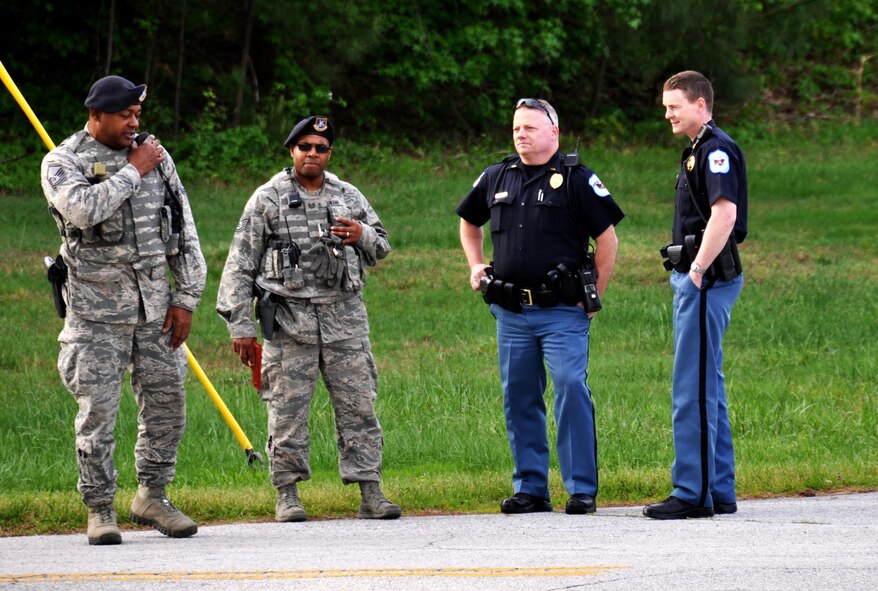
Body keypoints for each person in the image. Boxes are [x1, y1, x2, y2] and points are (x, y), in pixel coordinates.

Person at [40, 75, 207, 545]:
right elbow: (83, 210)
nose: (135, 123)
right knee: (98, 414)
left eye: (138, 115)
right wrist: (133, 169)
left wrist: (185, 298)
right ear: (96, 116)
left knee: (168, 406)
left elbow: (184, 230)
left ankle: (152, 496)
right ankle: (99, 508)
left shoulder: (157, 154)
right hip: (95, 316)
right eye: (125, 116)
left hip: (155, 311)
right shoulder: (62, 162)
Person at [216, 115, 400, 522]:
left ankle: (371, 491)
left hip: (345, 321)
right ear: (292, 151)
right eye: (305, 147)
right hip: (288, 321)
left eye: (320, 148)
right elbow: (240, 263)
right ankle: (287, 494)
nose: (312, 154)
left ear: (329, 154)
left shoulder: (348, 194)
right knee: (286, 411)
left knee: (359, 408)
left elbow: (382, 244)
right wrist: (240, 325)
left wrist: (361, 235)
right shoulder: (267, 198)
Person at [456, 99, 623, 515]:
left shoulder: (576, 179)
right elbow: (468, 223)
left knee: (570, 388)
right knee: (519, 396)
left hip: (562, 312)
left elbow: (608, 241)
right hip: (511, 312)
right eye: (516, 128)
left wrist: (593, 298)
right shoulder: (498, 175)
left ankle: (581, 488)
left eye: (530, 127)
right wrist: (476, 264)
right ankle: (531, 487)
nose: (521, 134)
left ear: (554, 132)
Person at [645, 70, 748, 519]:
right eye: (666, 105)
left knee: (692, 387)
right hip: (702, 278)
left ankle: (692, 493)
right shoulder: (699, 149)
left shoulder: (715, 150)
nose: (667, 112)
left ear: (700, 105)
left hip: (705, 280)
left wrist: (698, 271)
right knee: (709, 385)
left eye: (675, 105)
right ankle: (720, 491)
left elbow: (724, 214)